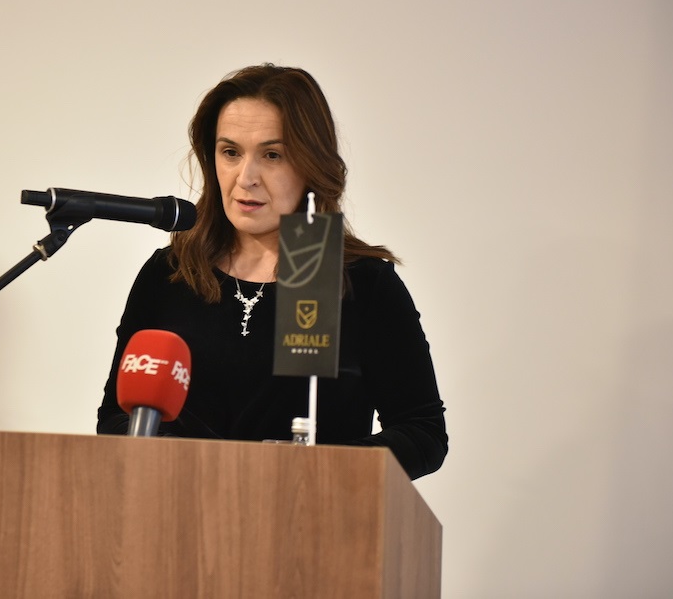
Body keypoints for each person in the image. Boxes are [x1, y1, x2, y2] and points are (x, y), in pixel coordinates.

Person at [96, 64, 447, 480]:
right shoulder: (169, 274)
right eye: (230, 152)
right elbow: (117, 418)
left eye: (272, 155)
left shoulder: (363, 284)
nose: (246, 178)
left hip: (309, 512)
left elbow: (422, 433)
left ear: (311, 164)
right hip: (180, 508)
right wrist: (196, 465)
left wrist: (314, 472)